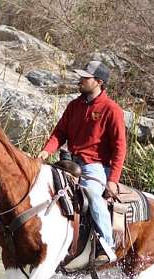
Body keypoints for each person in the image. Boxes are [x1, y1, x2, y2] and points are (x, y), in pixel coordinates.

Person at [38, 61, 126, 261]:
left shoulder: (112, 110)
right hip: (69, 163)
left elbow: (120, 148)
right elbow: (59, 133)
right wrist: (45, 152)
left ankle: (106, 245)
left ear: (99, 82)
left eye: (85, 77)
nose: (80, 80)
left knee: (93, 197)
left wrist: (112, 179)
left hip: (94, 167)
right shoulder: (74, 105)